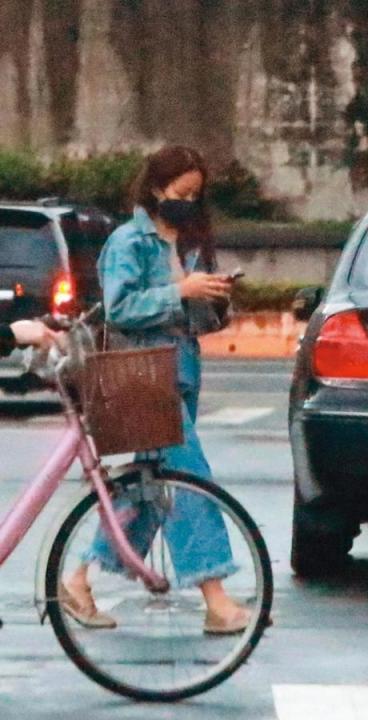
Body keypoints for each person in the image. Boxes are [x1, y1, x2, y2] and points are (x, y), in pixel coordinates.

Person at [60, 145, 252, 635]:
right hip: (141, 378)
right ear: (155, 189)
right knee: (191, 477)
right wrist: (180, 292)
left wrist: (212, 298)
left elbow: (193, 320)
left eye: (195, 194)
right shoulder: (129, 242)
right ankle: (215, 597)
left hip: (179, 371)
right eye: (181, 192)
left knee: (149, 492)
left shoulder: (184, 243)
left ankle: (79, 579)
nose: (188, 202)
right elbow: (120, 308)